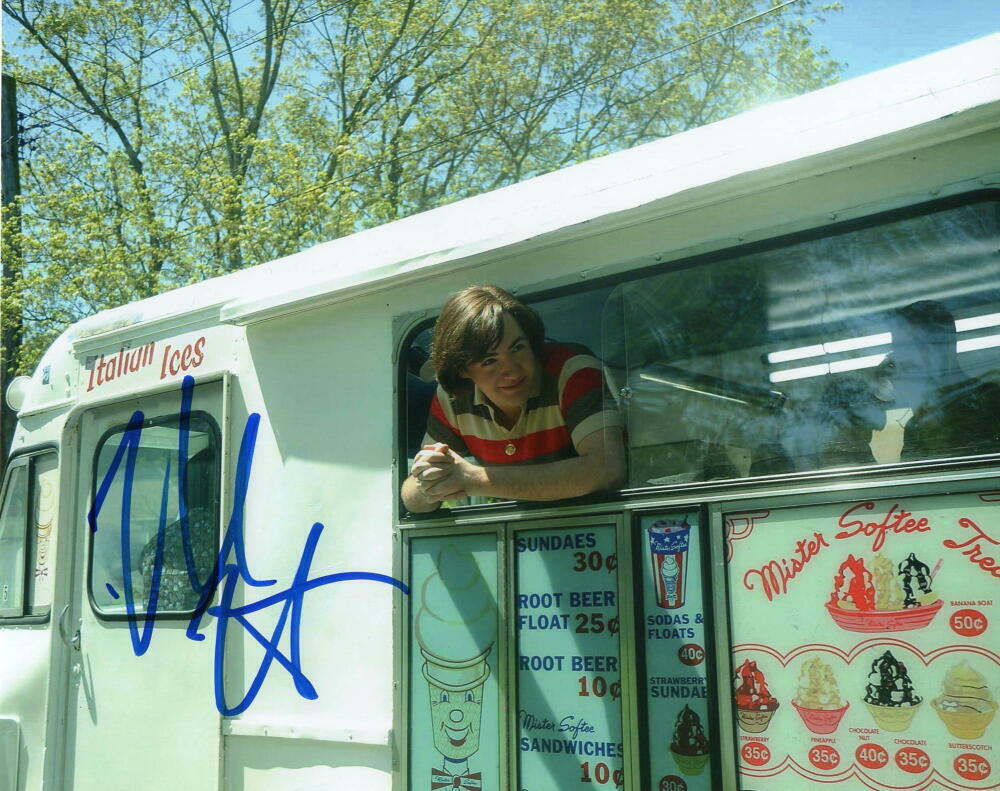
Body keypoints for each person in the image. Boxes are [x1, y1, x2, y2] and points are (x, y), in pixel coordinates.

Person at [401, 286, 626, 513]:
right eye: (489, 360)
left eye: (517, 348)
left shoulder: (572, 372)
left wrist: (473, 479)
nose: (512, 370)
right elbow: (412, 498)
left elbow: (607, 469)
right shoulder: (452, 399)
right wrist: (428, 481)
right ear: (462, 370)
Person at [886, 300, 1000, 460]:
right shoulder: (917, 423)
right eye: (898, 348)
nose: (903, 359)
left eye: (913, 345)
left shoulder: (990, 401)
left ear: (946, 346)